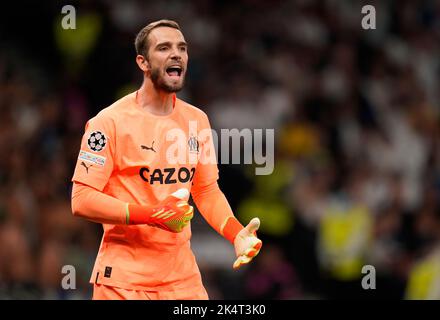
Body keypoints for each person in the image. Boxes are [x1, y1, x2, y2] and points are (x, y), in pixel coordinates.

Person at [70, 19, 262, 300]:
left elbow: (206, 190)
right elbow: (82, 199)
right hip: (123, 282)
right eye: (164, 48)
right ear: (143, 63)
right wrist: (152, 215)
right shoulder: (108, 123)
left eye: (182, 48)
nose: (176, 54)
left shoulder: (197, 120)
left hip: (182, 281)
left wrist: (236, 234)